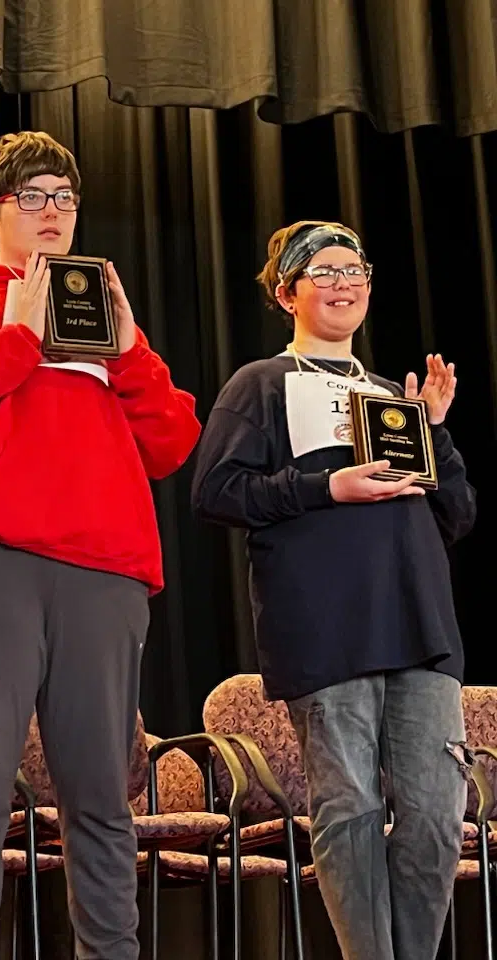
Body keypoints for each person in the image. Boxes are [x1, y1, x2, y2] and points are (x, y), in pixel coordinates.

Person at [0, 131, 200, 960]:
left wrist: (128, 351)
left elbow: (171, 443)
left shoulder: (107, 319)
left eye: (63, 198)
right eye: (32, 198)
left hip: (104, 571)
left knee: (101, 792)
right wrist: (16, 340)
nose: (51, 212)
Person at [191, 220, 474, 959]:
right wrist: (327, 487)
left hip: (421, 627)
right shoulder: (262, 383)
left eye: (356, 269)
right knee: (349, 806)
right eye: (325, 270)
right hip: (325, 628)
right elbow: (216, 491)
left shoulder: (389, 395)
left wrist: (434, 429)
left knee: (438, 813)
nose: (345, 282)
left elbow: (458, 515)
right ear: (288, 292)